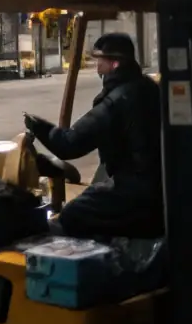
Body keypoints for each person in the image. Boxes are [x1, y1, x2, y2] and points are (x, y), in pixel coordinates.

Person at [23, 31, 163, 240]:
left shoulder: (116, 102)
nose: (97, 66)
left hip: (133, 194)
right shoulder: (149, 87)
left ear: (115, 64)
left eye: (101, 60)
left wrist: (38, 127)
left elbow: (69, 144)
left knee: (71, 216)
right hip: (157, 186)